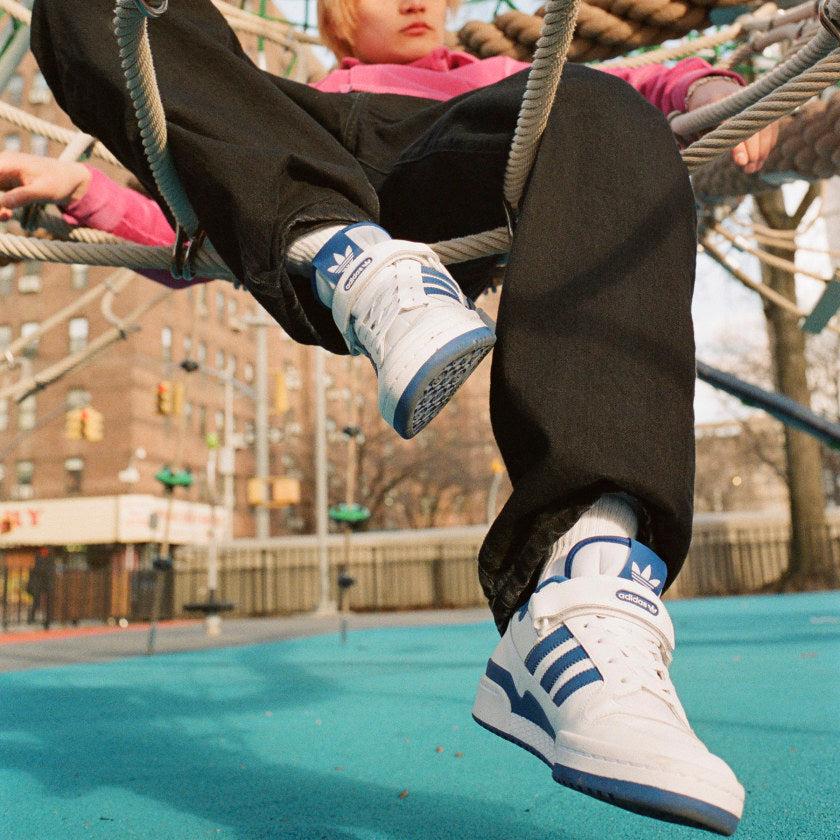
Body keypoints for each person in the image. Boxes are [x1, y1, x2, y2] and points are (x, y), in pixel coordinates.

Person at [20, 0, 779, 833]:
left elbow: (648, 87)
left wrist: (709, 78)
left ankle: (588, 589)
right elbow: (189, 219)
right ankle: (352, 260)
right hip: (310, 159)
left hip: (466, 149)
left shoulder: (510, 83)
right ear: (340, 18)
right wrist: (86, 189)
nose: (417, 0)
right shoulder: (271, 102)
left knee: (602, 108)